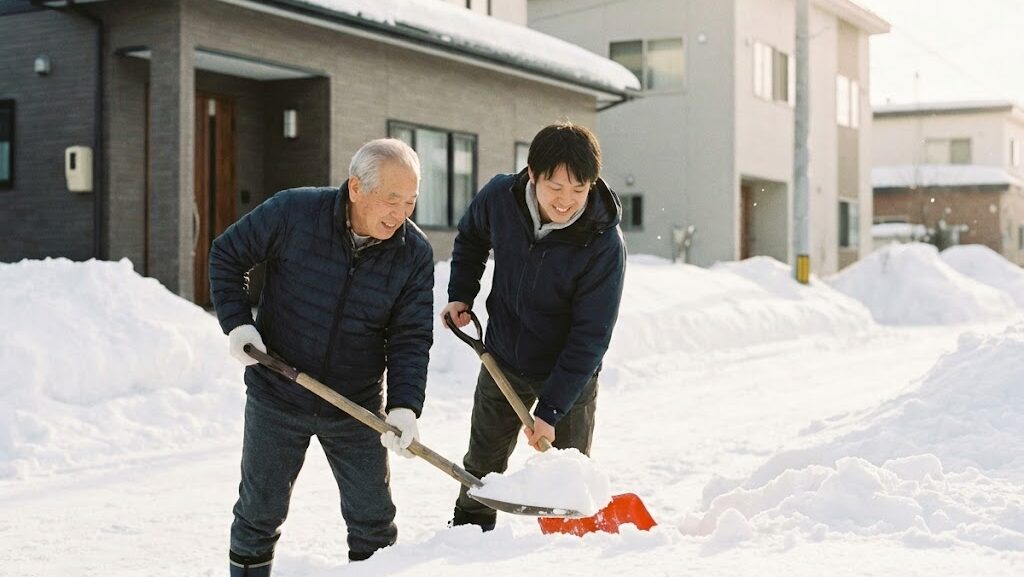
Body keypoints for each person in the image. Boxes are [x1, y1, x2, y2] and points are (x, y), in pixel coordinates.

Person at [209, 138, 434, 576]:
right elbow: (226, 254)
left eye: (410, 201)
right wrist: (238, 323)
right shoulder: (293, 213)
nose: (401, 213)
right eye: (392, 199)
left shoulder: (413, 253)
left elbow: (409, 336)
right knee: (259, 513)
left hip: (355, 405)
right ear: (355, 188)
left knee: (373, 523)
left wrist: (405, 407)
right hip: (279, 391)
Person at [441, 122, 626, 531]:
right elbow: (471, 238)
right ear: (532, 173)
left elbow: (590, 336)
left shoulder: (603, 244)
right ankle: (466, 540)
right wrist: (461, 293)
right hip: (504, 358)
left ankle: (565, 558)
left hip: (568, 378)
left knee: (567, 486)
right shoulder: (500, 197)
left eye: (578, 190)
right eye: (555, 188)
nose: (566, 201)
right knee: (482, 468)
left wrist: (552, 409)